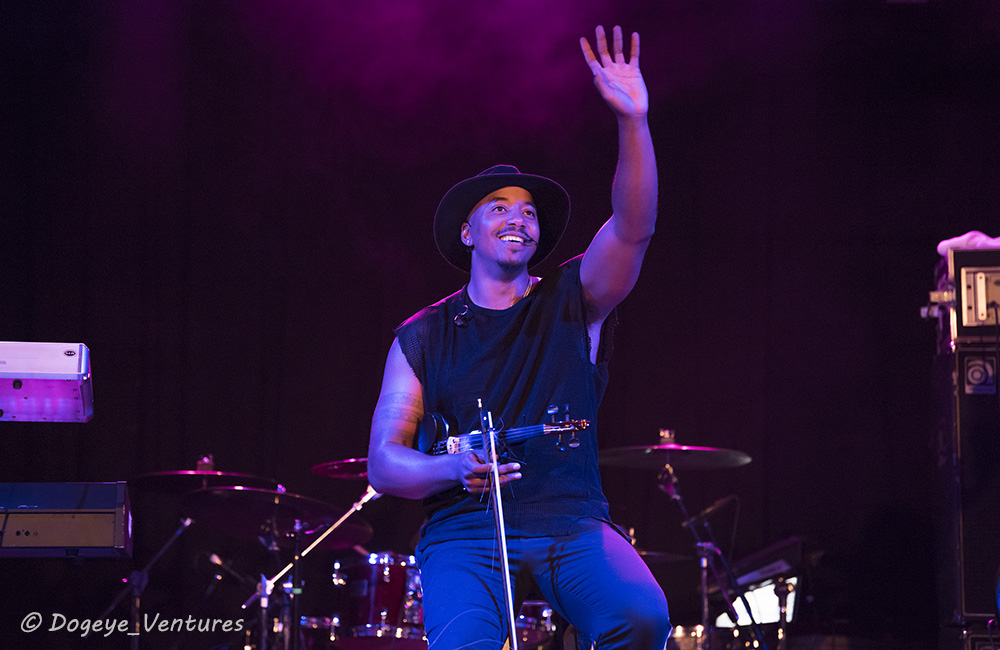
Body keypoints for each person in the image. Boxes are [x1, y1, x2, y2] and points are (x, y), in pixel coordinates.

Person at [367, 25, 671, 650]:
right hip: (466, 532)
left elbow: (633, 227)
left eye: (529, 211)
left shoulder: (573, 298)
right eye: (500, 208)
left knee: (642, 618)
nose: (519, 219)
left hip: (570, 523)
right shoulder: (422, 335)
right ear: (468, 234)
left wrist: (633, 122)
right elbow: (384, 462)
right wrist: (451, 467)